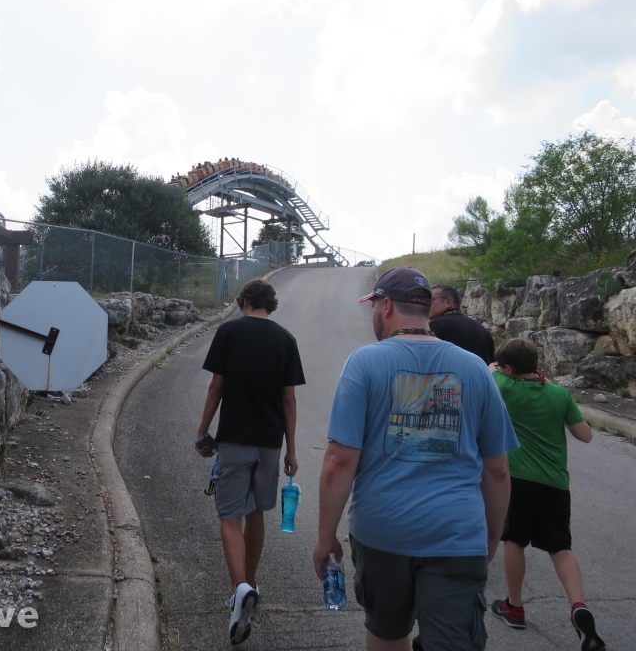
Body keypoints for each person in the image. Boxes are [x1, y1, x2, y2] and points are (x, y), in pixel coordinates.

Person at [313, 267, 517, 651]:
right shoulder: (475, 368)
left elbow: (340, 460)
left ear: (386, 306)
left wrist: (325, 537)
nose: (373, 313)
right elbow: (497, 469)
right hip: (457, 535)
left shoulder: (364, 363)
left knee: (388, 634)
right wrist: (491, 534)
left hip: (382, 534)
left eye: (374, 305)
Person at [196, 278, 305, 646]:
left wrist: (202, 430)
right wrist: (291, 449)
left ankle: (239, 588)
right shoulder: (286, 340)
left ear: (244, 302)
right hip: (270, 444)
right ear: (270, 305)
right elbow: (289, 400)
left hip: (235, 440)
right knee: (256, 512)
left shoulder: (229, 333)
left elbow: (216, 386)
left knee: (230, 515)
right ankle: (251, 584)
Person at [488, 339, 605, 651]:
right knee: (560, 547)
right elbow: (586, 435)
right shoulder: (559, 393)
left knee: (514, 540)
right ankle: (579, 606)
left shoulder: (503, 385)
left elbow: (490, 369)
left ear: (508, 368)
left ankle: (514, 606)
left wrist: (499, 368)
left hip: (519, 480)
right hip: (555, 482)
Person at [429, 284, 496, 364]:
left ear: (448, 302)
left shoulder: (436, 325)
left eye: (431, 299)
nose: (426, 304)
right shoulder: (481, 328)